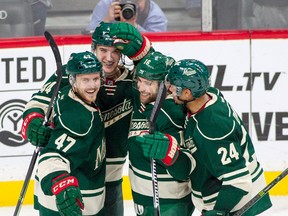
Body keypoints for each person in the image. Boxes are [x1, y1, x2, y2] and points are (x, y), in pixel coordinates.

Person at [20, 21, 152, 216]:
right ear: (93, 48)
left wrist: (144, 52)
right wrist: (33, 122)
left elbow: (161, 85)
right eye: (103, 50)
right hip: (67, 170)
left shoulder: (134, 81)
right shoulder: (70, 74)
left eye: (115, 51)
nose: (108, 58)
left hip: (108, 179)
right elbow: (38, 103)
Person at [136, 59, 273, 215]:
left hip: (238, 204)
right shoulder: (207, 97)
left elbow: (238, 181)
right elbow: (200, 157)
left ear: (187, 93)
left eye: (173, 87)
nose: (169, 89)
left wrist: (220, 210)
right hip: (224, 199)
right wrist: (171, 154)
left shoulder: (212, 126)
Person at [25, 51, 106, 215]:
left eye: (95, 79)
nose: (92, 86)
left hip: (53, 200)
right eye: (85, 80)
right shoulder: (80, 120)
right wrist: (61, 183)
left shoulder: (65, 93)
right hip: (74, 202)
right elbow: (53, 157)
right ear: (73, 81)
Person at [123, 51, 194, 215]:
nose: (141, 88)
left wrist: (170, 152)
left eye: (148, 83)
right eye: (139, 81)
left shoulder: (171, 112)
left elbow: (185, 168)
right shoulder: (148, 103)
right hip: (148, 200)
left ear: (167, 86)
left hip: (169, 204)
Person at [82, 0, 167, 34]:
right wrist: (106, 21)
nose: (129, 6)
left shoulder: (155, 15)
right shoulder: (106, 4)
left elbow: (157, 44)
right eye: (125, 1)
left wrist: (134, 27)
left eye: (135, 2)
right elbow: (88, 36)